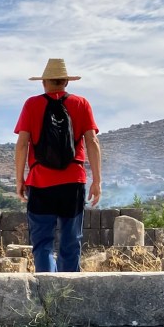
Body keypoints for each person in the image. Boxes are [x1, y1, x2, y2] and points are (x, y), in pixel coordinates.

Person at [14, 58, 101, 272]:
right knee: (71, 241)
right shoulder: (81, 103)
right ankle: (68, 288)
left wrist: (20, 180)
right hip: (73, 181)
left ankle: (47, 286)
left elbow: (22, 144)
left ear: (44, 82)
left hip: (40, 182)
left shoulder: (32, 104)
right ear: (66, 82)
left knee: (42, 243)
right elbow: (92, 142)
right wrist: (97, 181)